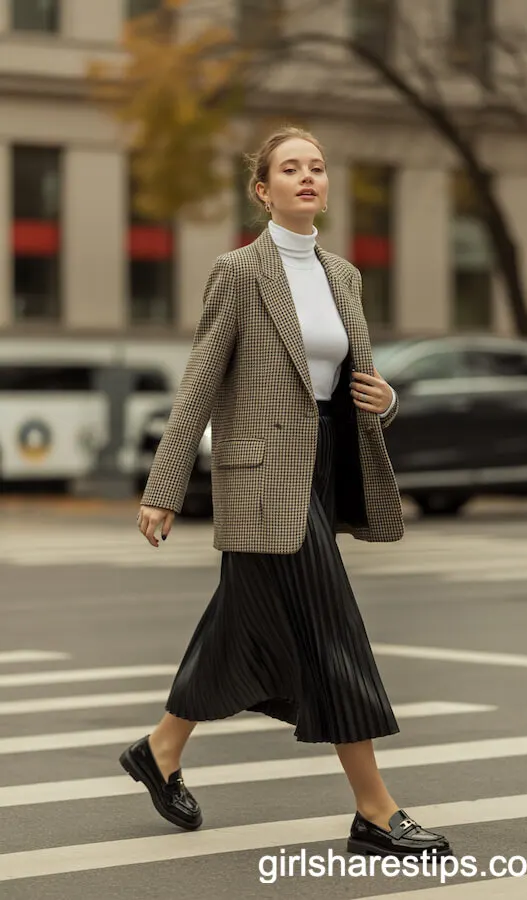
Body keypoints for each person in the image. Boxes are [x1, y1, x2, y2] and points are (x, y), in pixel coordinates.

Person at [120, 126, 452, 860]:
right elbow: (201, 381)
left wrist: (385, 398)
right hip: (264, 480)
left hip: (325, 474)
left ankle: (160, 750)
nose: (309, 177)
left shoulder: (344, 276)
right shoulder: (239, 271)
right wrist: (165, 485)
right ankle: (375, 810)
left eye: (318, 167)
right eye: (290, 169)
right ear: (263, 191)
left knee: (237, 627)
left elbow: (344, 384)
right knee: (334, 632)